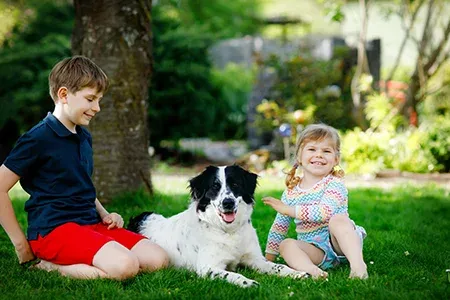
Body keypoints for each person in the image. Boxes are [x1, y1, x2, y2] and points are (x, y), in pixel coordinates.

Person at [0, 56, 169, 280]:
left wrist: (105, 214)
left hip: (90, 224)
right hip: (54, 230)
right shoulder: (38, 138)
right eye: (90, 99)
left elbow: (82, 184)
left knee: (158, 259)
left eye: (99, 100)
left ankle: (96, 256)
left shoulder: (83, 136)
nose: (97, 108)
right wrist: (21, 245)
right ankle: (48, 266)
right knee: (126, 267)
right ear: (63, 95)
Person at [263, 123, 368, 279]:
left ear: (336, 159)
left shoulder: (334, 184)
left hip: (340, 245)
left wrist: (289, 210)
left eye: (326, 151)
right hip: (316, 250)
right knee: (286, 245)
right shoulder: (291, 192)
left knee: (338, 220)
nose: (319, 155)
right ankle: (313, 271)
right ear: (299, 156)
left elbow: (324, 212)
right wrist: (267, 262)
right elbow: (279, 227)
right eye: (312, 149)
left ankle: (358, 266)